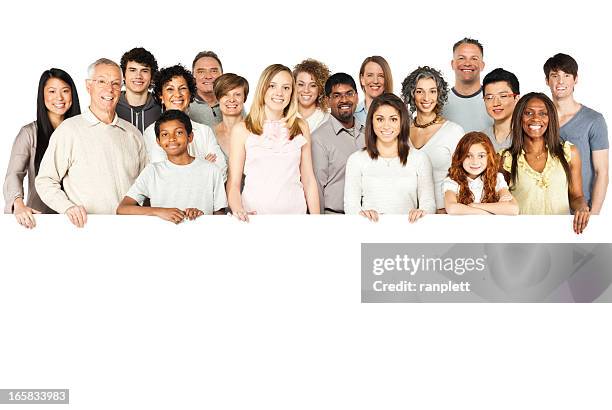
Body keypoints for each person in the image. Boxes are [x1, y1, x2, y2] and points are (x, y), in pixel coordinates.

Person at [35, 58, 147, 227]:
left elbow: (147, 185)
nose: (109, 89)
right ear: (89, 86)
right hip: (86, 228)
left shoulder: (133, 134)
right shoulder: (69, 130)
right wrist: (67, 207)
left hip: (130, 228)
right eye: (101, 81)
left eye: (116, 83)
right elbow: (45, 180)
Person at [227, 64, 320, 220]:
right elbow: (234, 184)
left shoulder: (301, 126)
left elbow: (309, 180)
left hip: (296, 217)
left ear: (292, 92)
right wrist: (238, 210)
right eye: (272, 86)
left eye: (286, 88)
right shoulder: (242, 129)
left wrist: (316, 221)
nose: (279, 93)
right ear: (263, 88)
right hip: (254, 218)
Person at [500, 93, 590, 234]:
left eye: (543, 113)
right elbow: (500, 203)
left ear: (551, 119)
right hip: (521, 236)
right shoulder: (505, 159)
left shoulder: (569, 153)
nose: (536, 118)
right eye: (528, 113)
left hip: (560, 235)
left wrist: (582, 207)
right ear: (519, 118)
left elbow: (576, 196)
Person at [117, 110, 227, 223]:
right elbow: (123, 208)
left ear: (190, 136)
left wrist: (201, 216)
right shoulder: (152, 171)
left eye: (179, 132)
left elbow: (220, 214)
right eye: (165, 134)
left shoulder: (211, 170)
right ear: (158, 141)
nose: (172, 138)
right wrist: (159, 211)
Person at [3, 68, 81, 228]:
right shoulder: (29, 133)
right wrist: (18, 204)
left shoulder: (83, 131)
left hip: (80, 219)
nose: (59, 97)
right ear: (42, 95)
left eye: (65, 91)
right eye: (52, 91)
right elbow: (13, 174)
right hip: (40, 220)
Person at [344, 93, 435, 222]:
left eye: (393, 119)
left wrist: (421, 213)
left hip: (409, 232)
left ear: (402, 121)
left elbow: (428, 203)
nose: (386, 126)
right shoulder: (356, 160)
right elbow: (351, 206)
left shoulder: (420, 159)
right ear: (371, 121)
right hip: (369, 232)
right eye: (380, 119)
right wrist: (362, 215)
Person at [544, 53, 608, 214]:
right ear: (547, 80)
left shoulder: (593, 120)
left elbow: (602, 172)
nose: (560, 81)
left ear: (576, 79)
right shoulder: (538, 120)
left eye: (567, 75)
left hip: (580, 212)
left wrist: (594, 215)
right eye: (554, 75)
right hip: (544, 210)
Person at [143, 64, 226, 180]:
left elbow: (221, 172)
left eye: (182, 88)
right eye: (170, 89)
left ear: (190, 93)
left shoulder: (204, 131)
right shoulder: (152, 132)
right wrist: (203, 166)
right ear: (161, 95)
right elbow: (164, 175)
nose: (177, 94)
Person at [401, 66, 464, 212]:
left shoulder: (453, 131)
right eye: (419, 91)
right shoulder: (401, 131)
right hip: (409, 213)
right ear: (411, 95)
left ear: (439, 94)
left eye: (432, 91)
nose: (426, 98)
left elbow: (464, 176)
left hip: (443, 211)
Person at [311, 73, 365, 214]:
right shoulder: (318, 139)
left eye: (349, 93)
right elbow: (316, 187)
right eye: (337, 96)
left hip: (368, 216)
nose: (344, 100)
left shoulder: (369, 134)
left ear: (357, 96)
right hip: (334, 216)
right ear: (328, 100)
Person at [444, 132, 518, 215]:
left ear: (489, 157)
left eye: (481, 156)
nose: (475, 162)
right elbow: (452, 208)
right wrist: (490, 212)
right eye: (468, 156)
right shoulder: (453, 180)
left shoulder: (497, 178)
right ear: (460, 157)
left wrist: (475, 206)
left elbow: (513, 209)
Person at [442, 38, 492, 132]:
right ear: (452, 64)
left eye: (474, 58)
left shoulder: (495, 100)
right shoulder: (438, 101)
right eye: (461, 58)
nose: (467, 63)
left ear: (482, 65)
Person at [116, 47, 162, 134]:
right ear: (124, 75)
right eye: (132, 70)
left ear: (152, 77)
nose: (138, 76)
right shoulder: (112, 106)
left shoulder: (162, 106)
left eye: (144, 71)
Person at [481, 68, 520, 152]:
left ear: (516, 98)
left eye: (503, 96)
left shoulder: (528, 134)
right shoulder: (481, 138)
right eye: (489, 97)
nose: (496, 103)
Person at [213, 73, 249, 160]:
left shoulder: (255, 131)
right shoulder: (210, 134)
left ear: (244, 98)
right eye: (225, 94)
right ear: (218, 98)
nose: (232, 99)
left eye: (237, 94)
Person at [293, 59, 330, 133]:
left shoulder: (327, 119)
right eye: (301, 84)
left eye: (313, 85)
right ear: (293, 86)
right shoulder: (284, 116)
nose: (306, 90)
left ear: (320, 89)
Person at [354, 56, 393, 125]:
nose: (375, 81)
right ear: (362, 79)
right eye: (370, 75)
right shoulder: (353, 114)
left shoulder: (400, 111)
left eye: (381, 76)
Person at [189, 51, 224, 127]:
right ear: (193, 76)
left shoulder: (232, 103)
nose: (208, 76)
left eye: (214, 71)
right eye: (201, 72)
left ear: (222, 75)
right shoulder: (185, 106)